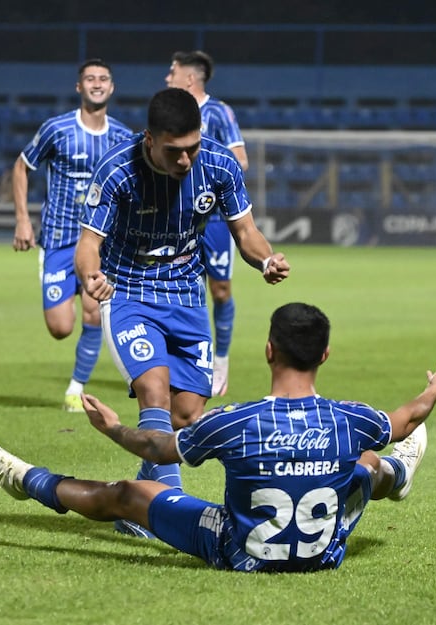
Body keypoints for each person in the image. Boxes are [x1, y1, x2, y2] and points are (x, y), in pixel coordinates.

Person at [0, 302, 436, 573]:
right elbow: (408, 419)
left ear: (268, 351)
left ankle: (22, 477)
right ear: (325, 356)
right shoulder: (349, 419)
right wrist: (434, 387)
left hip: (238, 551)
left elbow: (159, 449)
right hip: (322, 554)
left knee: (127, 495)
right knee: (368, 463)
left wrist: (113, 428)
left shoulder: (233, 420)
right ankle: (400, 473)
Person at [73, 87, 288, 535]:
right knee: (155, 389)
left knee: (187, 414)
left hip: (187, 294)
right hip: (129, 289)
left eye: (192, 147)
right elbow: (88, 245)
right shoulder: (116, 169)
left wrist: (266, 259)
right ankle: (167, 514)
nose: (186, 160)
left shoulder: (218, 165)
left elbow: (246, 231)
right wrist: (92, 277)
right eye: (175, 151)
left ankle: (136, 506)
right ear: (150, 138)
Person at [11, 59, 133, 412]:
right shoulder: (57, 129)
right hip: (59, 240)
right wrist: (23, 219)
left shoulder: (123, 137)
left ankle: (75, 390)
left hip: (99, 243)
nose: (97, 83)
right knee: (61, 327)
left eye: (103, 79)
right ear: (79, 87)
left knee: (94, 313)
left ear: (112, 87)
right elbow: (22, 165)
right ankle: (74, 377)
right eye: (90, 79)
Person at [165, 50, 248, 397]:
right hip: (174, 216)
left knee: (220, 290)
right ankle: (176, 363)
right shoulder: (168, 111)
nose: (167, 77)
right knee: (175, 287)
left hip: (212, 219)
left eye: (172, 71)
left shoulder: (218, 112)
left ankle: (221, 362)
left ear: (189, 78)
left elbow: (240, 160)